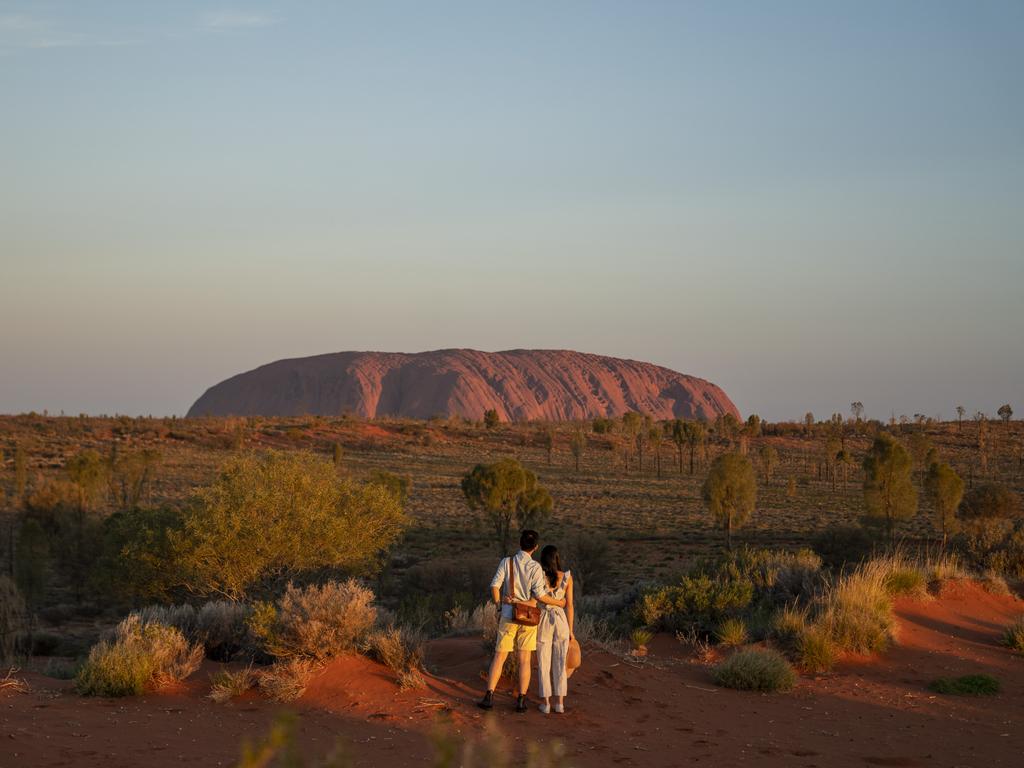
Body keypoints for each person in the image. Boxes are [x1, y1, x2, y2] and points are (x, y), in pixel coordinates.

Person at [478, 529, 566, 713]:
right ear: (535, 547)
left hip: (508, 615)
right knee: (524, 659)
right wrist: (559, 602)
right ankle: (521, 701)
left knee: (500, 656)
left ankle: (489, 696)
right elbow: (540, 596)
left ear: (520, 543)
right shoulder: (536, 568)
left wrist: (499, 604)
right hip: (529, 618)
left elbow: (494, 586)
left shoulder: (506, 562)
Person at [535, 544, 574, 714]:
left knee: (543, 661)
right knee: (560, 661)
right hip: (561, 620)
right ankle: (560, 703)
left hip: (543, 618)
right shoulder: (566, 577)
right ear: (557, 558)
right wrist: (571, 630)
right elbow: (570, 606)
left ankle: (546, 703)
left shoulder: (539, 576)